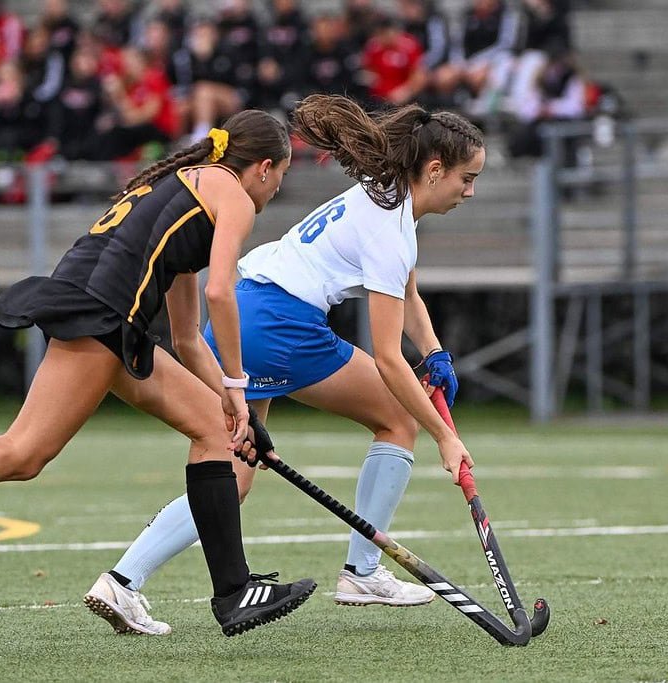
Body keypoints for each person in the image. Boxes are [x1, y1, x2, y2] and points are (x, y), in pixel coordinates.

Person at [0, 109, 316, 637]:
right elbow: (223, 293)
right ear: (263, 167)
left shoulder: (187, 189)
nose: (275, 191)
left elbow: (189, 337)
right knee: (23, 452)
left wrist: (236, 407)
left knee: (214, 431)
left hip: (107, 317)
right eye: (281, 178)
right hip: (102, 313)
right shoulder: (233, 192)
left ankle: (234, 592)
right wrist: (239, 387)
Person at [84, 94, 481, 635]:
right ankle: (362, 573)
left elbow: (407, 292)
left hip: (249, 309)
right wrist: (444, 436)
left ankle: (121, 582)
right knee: (398, 420)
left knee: (231, 473)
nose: (470, 192)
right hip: (282, 325)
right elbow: (389, 358)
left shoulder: (383, 197)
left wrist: (434, 352)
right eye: (466, 179)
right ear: (435, 171)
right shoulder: (390, 229)